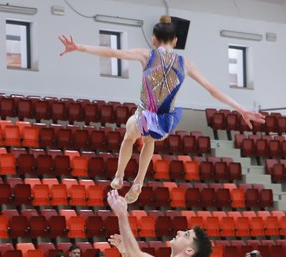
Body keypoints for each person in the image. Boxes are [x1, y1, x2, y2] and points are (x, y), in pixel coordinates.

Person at [59, 16, 265, 203]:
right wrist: (240, 109)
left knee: (129, 136)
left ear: (153, 40)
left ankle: (119, 176)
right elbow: (212, 90)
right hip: (165, 123)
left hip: (143, 116)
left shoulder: (146, 54)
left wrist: (80, 47)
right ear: (175, 41)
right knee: (149, 140)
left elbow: (113, 52)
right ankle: (138, 182)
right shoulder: (185, 63)